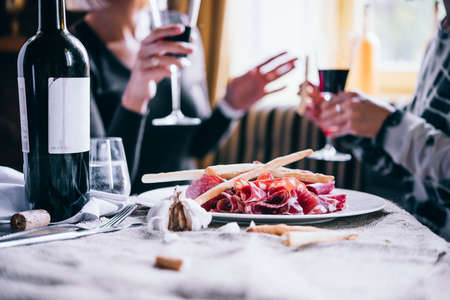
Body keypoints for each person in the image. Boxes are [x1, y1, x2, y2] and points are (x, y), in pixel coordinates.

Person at [70, 0, 296, 193]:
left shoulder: (179, 31)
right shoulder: (72, 54)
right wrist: (134, 99)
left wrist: (231, 105)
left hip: (188, 206)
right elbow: (101, 185)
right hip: (127, 218)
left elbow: (197, 146)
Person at [299, 1, 450, 240]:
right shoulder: (439, 38)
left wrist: (389, 125)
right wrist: (346, 125)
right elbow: (409, 166)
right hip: (418, 233)